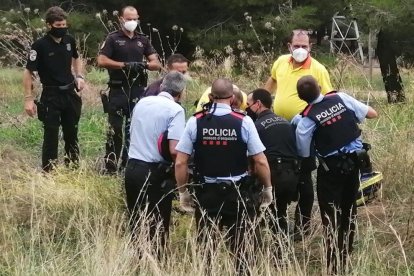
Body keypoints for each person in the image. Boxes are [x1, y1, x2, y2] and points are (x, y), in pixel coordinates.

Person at [175, 78, 273, 273]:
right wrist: (268, 188)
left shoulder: (196, 121)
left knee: (206, 250)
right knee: (243, 250)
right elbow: (260, 161)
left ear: (211, 97)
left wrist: (183, 192)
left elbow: (180, 162)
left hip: (206, 193)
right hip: (237, 193)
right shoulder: (244, 121)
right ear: (233, 99)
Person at [295, 76, 378, 274]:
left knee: (330, 214)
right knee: (349, 208)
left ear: (300, 97)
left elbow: (303, 152)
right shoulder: (340, 98)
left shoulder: (306, 120)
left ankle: (333, 260)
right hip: (355, 163)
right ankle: (347, 251)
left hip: (331, 170)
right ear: (321, 87)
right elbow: (372, 113)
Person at [264, 29, 333, 236]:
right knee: (276, 172)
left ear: (311, 47)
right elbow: (271, 82)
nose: (301, 50)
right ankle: (277, 222)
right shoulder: (280, 62)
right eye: (297, 46)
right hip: (277, 130)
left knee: (303, 175)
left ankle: (303, 226)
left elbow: (327, 100)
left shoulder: (318, 69)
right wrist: (261, 102)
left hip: (305, 132)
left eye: (305, 46)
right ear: (289, 47)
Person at [124, 71, 187, 253]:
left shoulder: (142, 102)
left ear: (161, 86)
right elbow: (175, 150)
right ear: (181, 92)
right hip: (155, 172)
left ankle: (138, 260)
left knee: (137, 219)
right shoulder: (175, 110)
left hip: (132, 167)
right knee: (157, 224)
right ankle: (156, 264)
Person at [97, 5, 161, 174]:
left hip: (138, 90)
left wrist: (143, 65)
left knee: (133, 130)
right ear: (121, 19)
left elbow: (156, 63)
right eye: (128, 19)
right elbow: (102, 60)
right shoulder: (113, 38)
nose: (132, 22)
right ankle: (110, 167)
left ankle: (128, 165)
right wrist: (123, 65)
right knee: (115, 130)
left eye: (134, 19)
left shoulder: (143, 39)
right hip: (118, 90)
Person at [23, 6, 85, 172]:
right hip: (51, 95)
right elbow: (28, 72)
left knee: (71, 133)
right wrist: (28, 99)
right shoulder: (39, 46)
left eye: (64, 25)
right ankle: (49, 172)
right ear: (49, 25)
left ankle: (73, 168)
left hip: (70, 93)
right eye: (58, 26)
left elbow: (76, 58)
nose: (62, 28)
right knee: (51, 136)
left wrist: (79, 76)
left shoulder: (69, 40)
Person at [246, 89, 299, 238]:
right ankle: (282, 252)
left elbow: (254, 157)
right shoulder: (286, 122)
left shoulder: (256, 126)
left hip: (272, 176)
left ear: (258, 104)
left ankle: (268, 252)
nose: (247, 108)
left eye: (249, 105)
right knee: (280, 213)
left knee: (262, 214)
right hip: (291, 175)